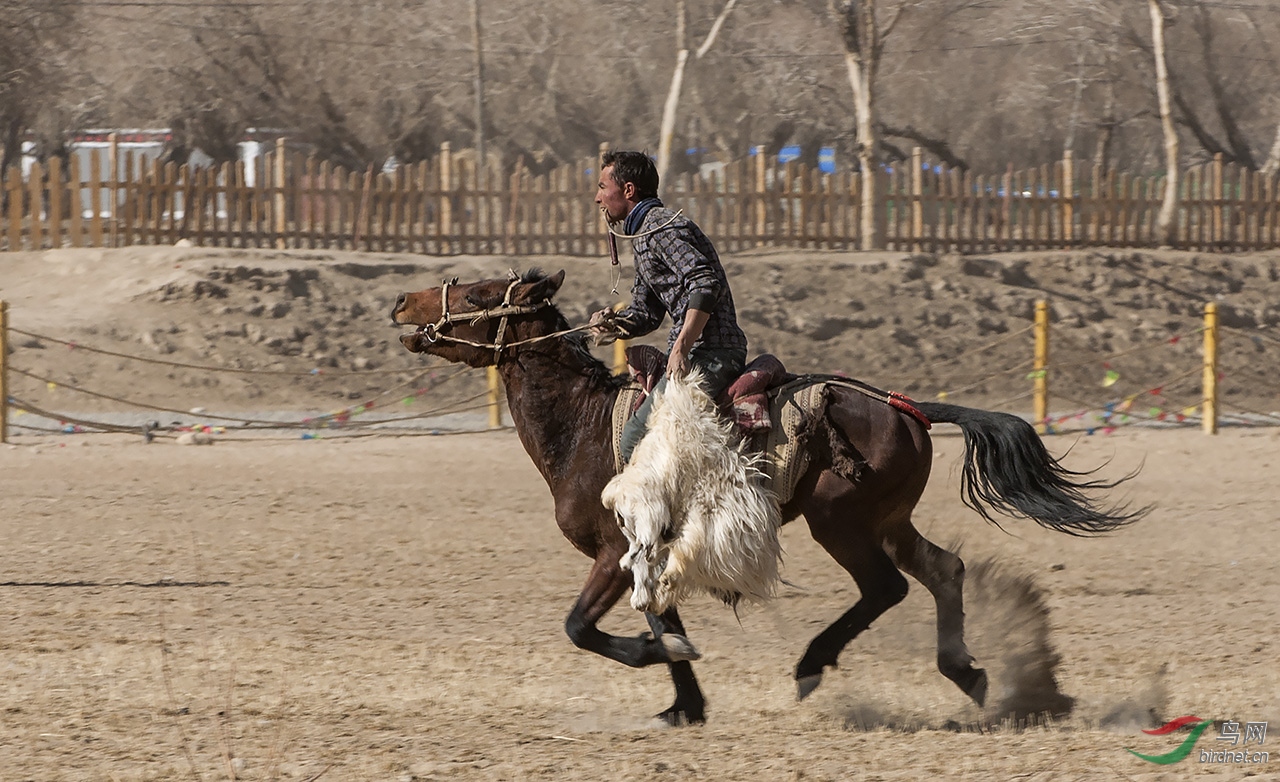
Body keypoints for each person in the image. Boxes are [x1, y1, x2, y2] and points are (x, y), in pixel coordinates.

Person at [589, 150, 748, 464]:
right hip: (699, 352)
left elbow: (704, 284)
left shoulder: (661, 228)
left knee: (634, 440)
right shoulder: (644, 234)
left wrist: (681, 348)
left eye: (603, 188)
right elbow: (646, 313)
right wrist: (613, 324)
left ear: (628, 190)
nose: (598, 198)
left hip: (713, 354)